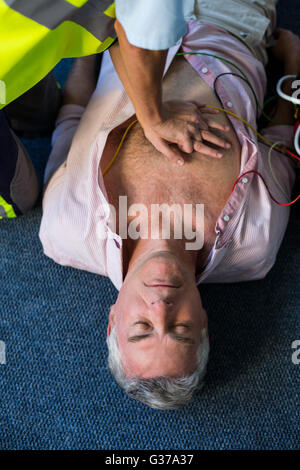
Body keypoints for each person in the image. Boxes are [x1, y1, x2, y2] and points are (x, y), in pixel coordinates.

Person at [36, 1, 298, 409]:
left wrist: (91, 39)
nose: (161, 307)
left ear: (112, 322)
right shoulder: (255, 245)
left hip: (124, 21)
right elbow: (282, 142)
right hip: (232, 24)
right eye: (180, 328)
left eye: (142, 328)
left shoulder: (64, 229)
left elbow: (71, 121)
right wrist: (294, 63)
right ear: (204, 324)